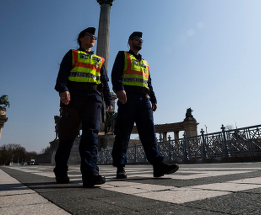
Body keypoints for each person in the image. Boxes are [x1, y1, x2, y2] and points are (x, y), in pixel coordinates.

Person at [111, 31, 178, 179]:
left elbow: (149, 83)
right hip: (127, 98)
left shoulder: (145, 63)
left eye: (141, 39)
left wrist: (153, 99)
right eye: (136, 39)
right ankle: (120, 167)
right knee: (123, 133)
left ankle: (158, 165)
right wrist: (119, 89)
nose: (140, 41)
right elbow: (116, 74)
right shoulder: (123, 55)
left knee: (149, 134)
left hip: (144, 100)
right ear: (129, 42)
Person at [54, 27, 113, 187]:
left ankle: (90, 173)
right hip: (74, 96)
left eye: (94, 36)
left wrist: (109, 100)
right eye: (90, 36)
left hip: (94, 98)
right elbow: (62, 74)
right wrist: (63, 89)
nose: (93, 38)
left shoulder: (99, 60)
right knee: (67, 135)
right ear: (81, 38)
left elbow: (104, 81)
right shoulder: (72, 54)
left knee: (91, 135)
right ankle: (60, 170)